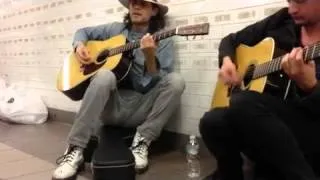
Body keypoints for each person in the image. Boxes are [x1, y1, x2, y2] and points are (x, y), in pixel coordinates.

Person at [52, 0, 185, 179]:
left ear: (154, 11)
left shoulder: (164, 39)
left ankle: (142, 142)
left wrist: (150, 57)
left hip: (141, 109)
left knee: (176, 81)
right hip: (111, 108)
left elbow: (149, 85)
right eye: (133, 2)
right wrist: (79, 46)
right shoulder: (115, 30)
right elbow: (82, 32)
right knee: (105, 75)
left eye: (143, 4)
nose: (136, 7)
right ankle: (75, 149)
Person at [200, 0, 320, 180]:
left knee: (243, 102)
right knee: (212, 121)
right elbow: (231, 40)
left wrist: (311, 86)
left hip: (312, 126)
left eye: (300, 0)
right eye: (289, 1)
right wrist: (227, 61)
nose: (292, 8)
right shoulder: (283, 19)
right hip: (271, 121)